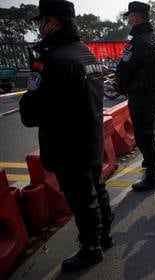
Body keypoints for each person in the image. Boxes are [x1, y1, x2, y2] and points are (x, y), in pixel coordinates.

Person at [19, 0, 114, 272]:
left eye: (42, 21)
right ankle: (104, 235)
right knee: (97, 187)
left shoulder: (50, 60)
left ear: (53, 23)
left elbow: (31, 112)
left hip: (67, 143)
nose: (40, 27)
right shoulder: (86, 53)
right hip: (91, 136)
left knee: (81, 198)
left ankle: (90, 248)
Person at [116, 2, 155, 191]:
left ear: (135, 18)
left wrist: (121, 87)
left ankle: (153, 178)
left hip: (142, 97)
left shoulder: (138, 42)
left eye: (129, 17)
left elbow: (123, 71)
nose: (128, 20)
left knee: (146, 138)